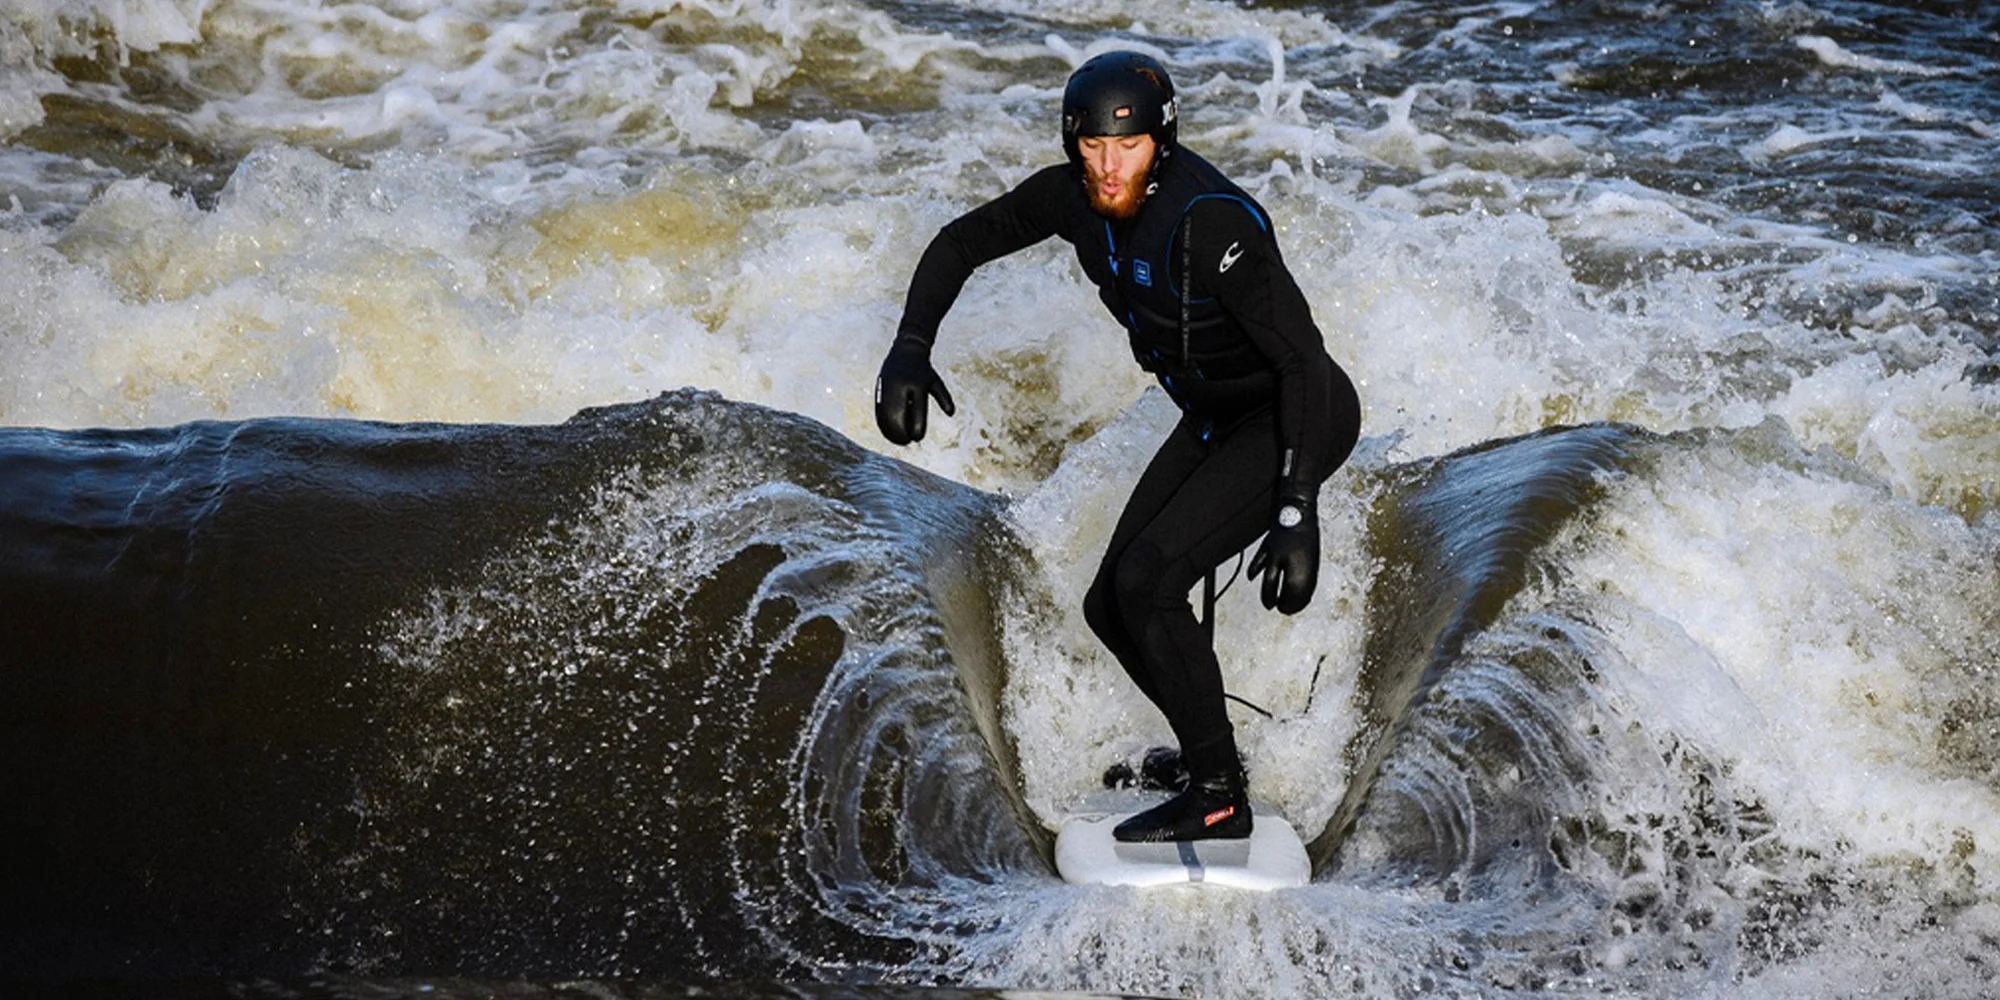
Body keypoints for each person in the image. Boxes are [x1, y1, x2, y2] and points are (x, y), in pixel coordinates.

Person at [872, 51, 1362, 843]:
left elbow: (1302, 359)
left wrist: (1297, 506)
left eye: (1126, 148)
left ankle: (1218, 798)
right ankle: (1212, 758)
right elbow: (963, 240)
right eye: (1092, 148)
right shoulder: (1076, 199)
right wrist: (909, 345)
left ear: (1161, 144)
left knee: (1150, 580)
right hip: (1208, 415)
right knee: (1113, 604)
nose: (1107, 168)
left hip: (1292, 415)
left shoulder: (1212, 226)